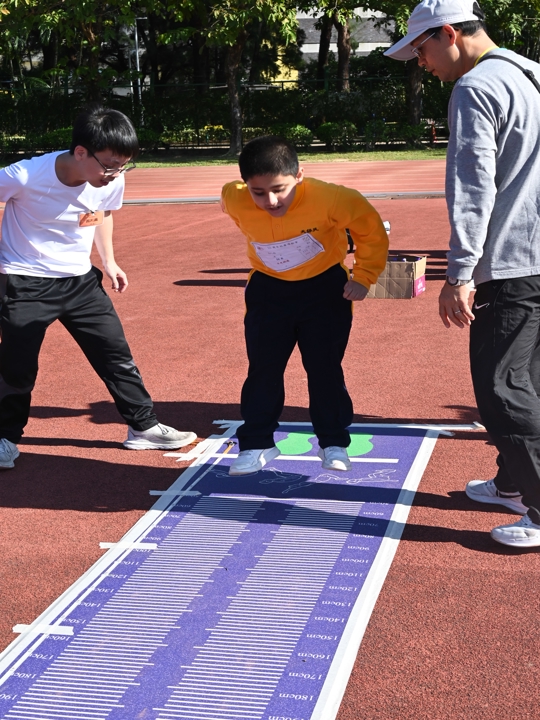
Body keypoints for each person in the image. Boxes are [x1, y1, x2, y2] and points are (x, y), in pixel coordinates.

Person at [385, 0, 540, 548]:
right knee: (530, 378)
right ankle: (512, 482)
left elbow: (473, 187)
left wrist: (459, 274)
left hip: (513, 259)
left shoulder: (475, 87)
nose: (421, 63)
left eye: (421, 50)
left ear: (448, 33)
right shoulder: (530, 72)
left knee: (502, 388)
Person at [0, 104, 196, 469]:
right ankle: (5, 438)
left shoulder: (110, 178)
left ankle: (143, 428)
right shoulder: (25, 175)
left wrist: (109, 261)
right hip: (26, 282)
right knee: (17, 367)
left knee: (115, 356)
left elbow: (102, 214)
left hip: (80, 282)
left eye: (123, 166)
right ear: (80, 152)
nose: (115, 174)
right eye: (109, 165)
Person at [221, 135, 388, 476]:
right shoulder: (232, 197)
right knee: (263, 368)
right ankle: (257, 444)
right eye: (258, 192)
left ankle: (333, 442)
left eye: (279, 189)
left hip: (324, 290)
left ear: (299, 176)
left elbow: (372, 232)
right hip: (268, 290)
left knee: (324, 368)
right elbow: (236, 209)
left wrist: (364, 276)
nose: (270, 201)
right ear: (244, 185)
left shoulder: (334, 198)